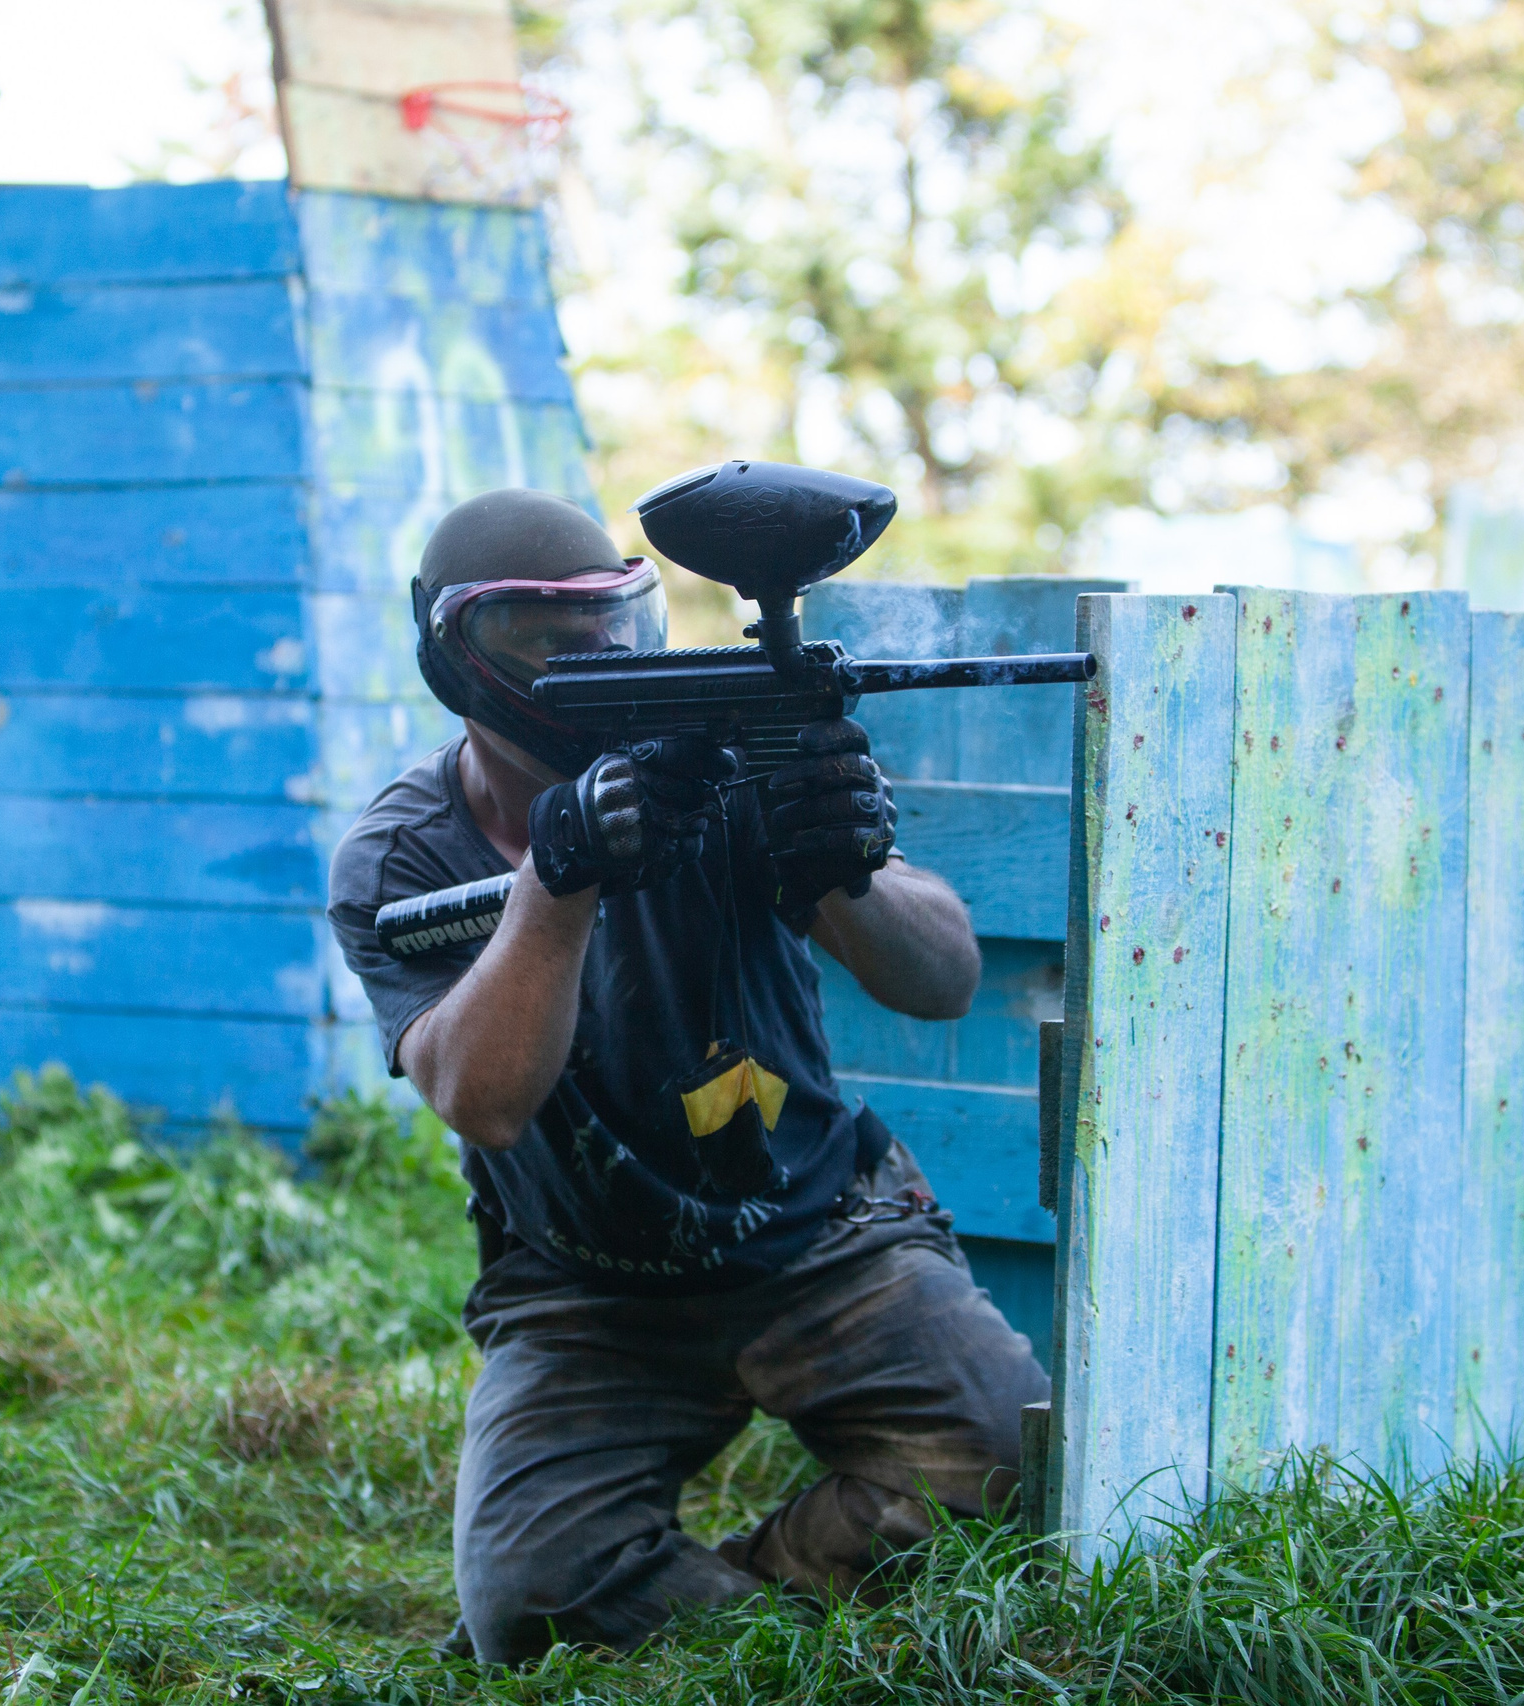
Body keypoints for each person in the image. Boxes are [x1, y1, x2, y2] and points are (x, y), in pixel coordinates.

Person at [326, 487, 1050, 1664]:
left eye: (610, 621)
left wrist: (844, 866)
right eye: (536, 633)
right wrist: (561, 877)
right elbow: (485, 1099)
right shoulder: (406, 850)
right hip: (586, 1287)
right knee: (530, 1599)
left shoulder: (716, 763)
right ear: (450, 648)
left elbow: (943, 977)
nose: (588, 657)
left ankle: (744, 1622)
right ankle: (776, 1647)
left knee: (1021, 1474)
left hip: (829, 1236)